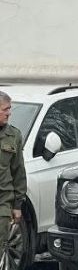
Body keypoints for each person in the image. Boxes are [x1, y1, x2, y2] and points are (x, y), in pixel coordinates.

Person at [0, 91, 28, 251]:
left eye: (9, 109)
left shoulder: (14, 135)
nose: (9, 113)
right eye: (5, 109)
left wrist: (17, 205)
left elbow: (18, 171)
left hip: (3, 202)